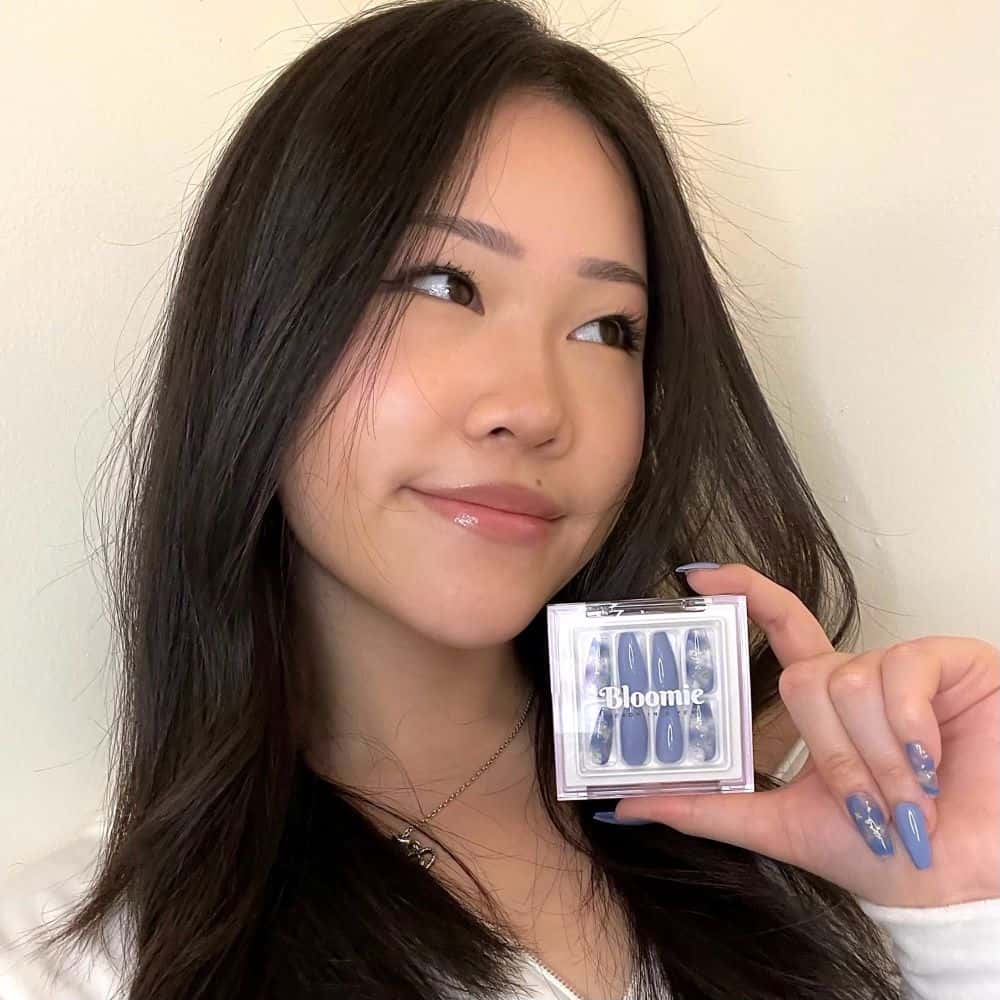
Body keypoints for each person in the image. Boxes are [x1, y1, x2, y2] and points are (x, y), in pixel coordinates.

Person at [3, 1, 998, 997]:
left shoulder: (796, 831)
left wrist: (951, 914)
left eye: (609, 329)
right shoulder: (73, 959)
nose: (531, 409)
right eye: (443, 283)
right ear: (265, 328)